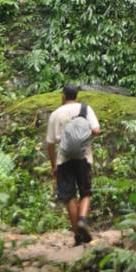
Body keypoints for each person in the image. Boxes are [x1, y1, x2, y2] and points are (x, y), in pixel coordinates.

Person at [46, 84, 101, 245]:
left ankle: (78, 234)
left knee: (69, 196)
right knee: (85, 192)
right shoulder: (86, 109)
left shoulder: (56, 114)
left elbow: (50, 143)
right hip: (84, 157)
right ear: (76, 95)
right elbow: (97, 130)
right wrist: (83, 135)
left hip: (64, 159)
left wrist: (53, 166)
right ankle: (83, 220)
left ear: (63, 96)